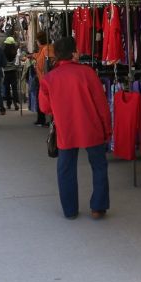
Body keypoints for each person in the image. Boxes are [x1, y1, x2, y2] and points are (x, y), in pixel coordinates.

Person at [39, 37, 111, 220]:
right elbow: (102, 105)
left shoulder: (49, 78)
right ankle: (98, 207)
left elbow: (45, 108)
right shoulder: (88, 73)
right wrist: (107, 128)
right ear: (73, 52)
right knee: (99, 166)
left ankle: (70, 210)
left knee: (66, 168)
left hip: (65, 129)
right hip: (91, 127)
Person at [33, 31, 55, 126]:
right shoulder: (44, 49)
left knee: (45, 99)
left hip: (45, 79)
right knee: (43, 99)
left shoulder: (47, 49)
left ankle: (45, 120)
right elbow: (40, 58)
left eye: (37, 40)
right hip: (42, 78)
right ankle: (42, 119)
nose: (36, 42)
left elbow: (48, 64)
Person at [2, 37, 20, 111]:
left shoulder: (3, 52)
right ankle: (15, 103)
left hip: (6, 72)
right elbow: (17, 63)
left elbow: (2, 63)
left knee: (7, 88)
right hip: (13, 71)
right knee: (14, 88)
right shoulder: (16, 52)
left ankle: (8, 104)